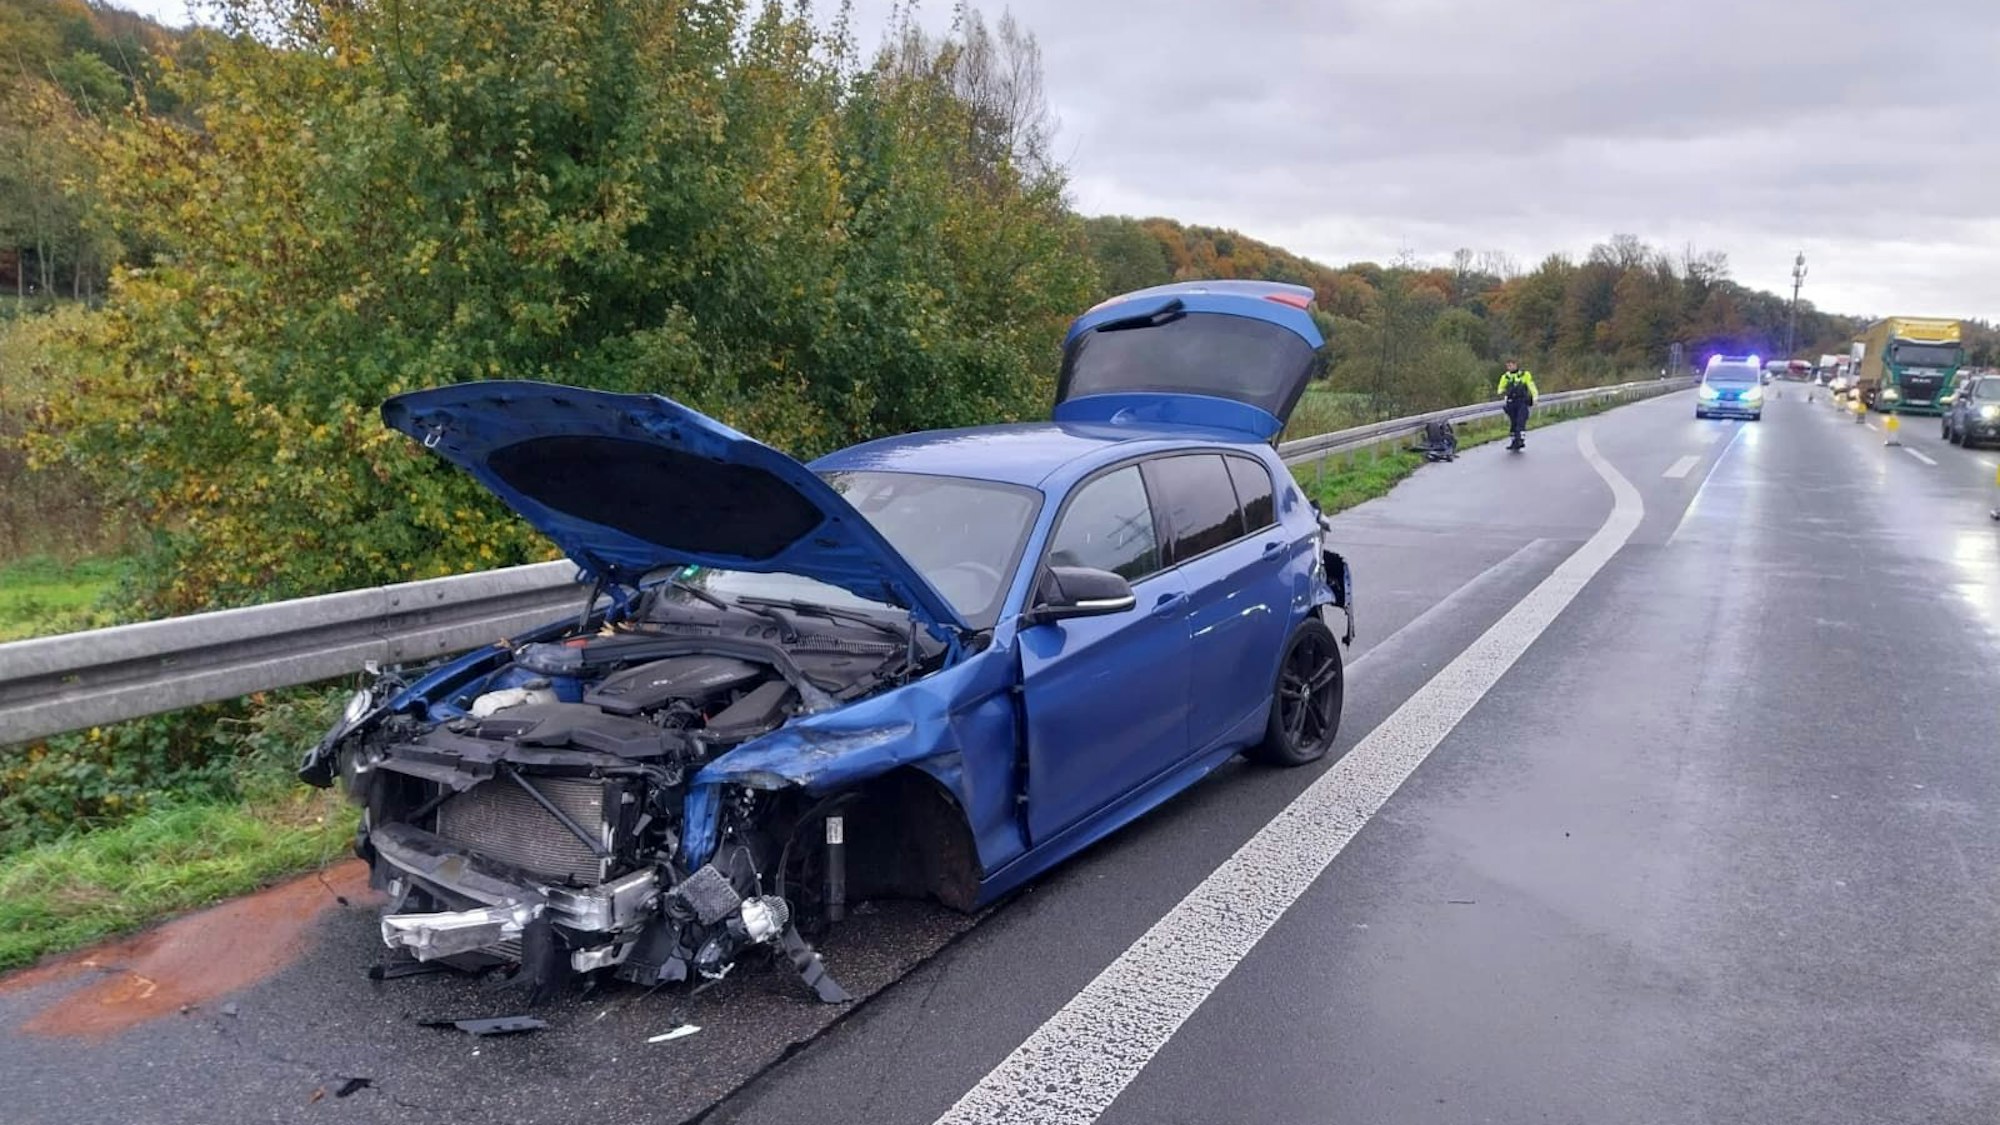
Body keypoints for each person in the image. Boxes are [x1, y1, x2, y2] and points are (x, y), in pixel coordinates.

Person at [1496, 359, 1539, 450]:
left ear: (1516, 365)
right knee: (1513, 422)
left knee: (1521, 420)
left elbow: (1531, 386)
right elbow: (1500, 389)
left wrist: (1535, 398)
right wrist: (1505, 391)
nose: (1509, 367)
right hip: (1511, 402)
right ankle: (1514, 441)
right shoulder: (1505, 377)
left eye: (1511, 365)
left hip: (1522, 401)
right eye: (1508, 366)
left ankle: (1520, 440)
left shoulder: (1524, 375)